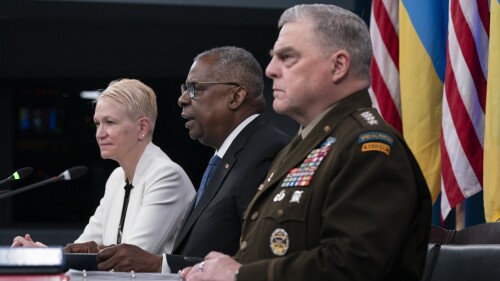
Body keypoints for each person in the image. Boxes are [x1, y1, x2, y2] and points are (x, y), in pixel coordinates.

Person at [180, 4, 432, 281]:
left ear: (338, 66)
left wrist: (240, 274)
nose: (271, 70)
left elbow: (354, 267)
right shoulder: (302, 147)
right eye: (273, 57)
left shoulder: (368, 149)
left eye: (287, 57)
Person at [89, 46, 291, 272]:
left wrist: (160, 264)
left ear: (235, 97)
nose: (182, 99)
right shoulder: (227, 155)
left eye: (195, 89)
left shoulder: (266, 150)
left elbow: (257, 258)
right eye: (185, 89)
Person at [12, 78, 196, 256]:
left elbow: (130, 257)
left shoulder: (167, 176)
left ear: (141, 128)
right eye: (97, 123)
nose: (99, 134)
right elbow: (81, 248)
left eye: (110, 122)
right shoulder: (116, 177)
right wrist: (43, 255)